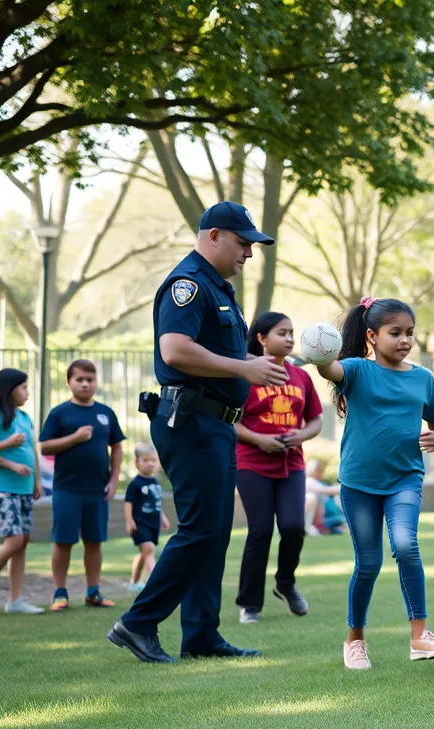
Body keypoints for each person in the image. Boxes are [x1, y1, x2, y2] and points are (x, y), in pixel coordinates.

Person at [108, 200, 288, 663]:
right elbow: (175, 350)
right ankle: (138, 623)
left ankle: (203, 635)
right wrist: (242, 368)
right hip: (191, 422)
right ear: (213, 236)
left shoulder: (217, 288)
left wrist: (255, 364)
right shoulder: (188, 284)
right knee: (199, 530)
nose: (249, 253)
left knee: (214, 532)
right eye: (243, 243)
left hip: (215, 425)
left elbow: (215, 353)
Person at [311, 297, 434, 669]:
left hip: (405, 480)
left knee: (406, 546)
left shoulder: (423, 377)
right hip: (358, 484)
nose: (405, 340)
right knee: (368, 563)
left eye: (410, 333)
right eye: (395, 333)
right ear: (372, 336)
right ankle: (354, 639)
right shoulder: (357, 370)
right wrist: (320, 351)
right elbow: (329, 370)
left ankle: (420, 636)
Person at [234, 312, 323, 623]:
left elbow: (315, 420)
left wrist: (301, 434)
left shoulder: (301, 376)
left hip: (292, 462)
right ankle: (250, 604)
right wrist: (259, 439)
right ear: (261, 339)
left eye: (291, 333)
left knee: (293, 527)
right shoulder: (245, 375)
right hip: (251, 462)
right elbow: (230, 421)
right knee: (260, 531)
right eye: (281, 333)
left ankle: (285, 583)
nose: (289, 338)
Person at [39, 359, 124, 610]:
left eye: (90, 379)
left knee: (94, 541)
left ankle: (93, 592)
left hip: (98, 490)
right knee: (63, 541)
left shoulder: (106, 413)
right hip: (67, 488)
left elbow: (117, 446)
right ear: (69, 382)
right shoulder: (59, 413)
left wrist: (114, 478)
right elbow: (44, 446)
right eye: (80, 380)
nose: (86, 384)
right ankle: (59, 593)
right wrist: (75, 438)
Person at [0, 369, 44, 615]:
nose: (27, 392)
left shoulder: (24, 417)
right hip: (0, 488)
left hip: (22, 489)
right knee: (14, 541)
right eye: (23, 388)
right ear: (10, 390)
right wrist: (9, 458)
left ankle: (16, 600)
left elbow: (33, 450)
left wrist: (37, 481)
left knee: (22, 543)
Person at [124, 444, 169, 591]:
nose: (150, 463)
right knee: (149, 549)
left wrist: (163, 517)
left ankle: (134, 582)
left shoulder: (155, 482)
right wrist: (129, 521)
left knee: (145, 553)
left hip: (153, 523)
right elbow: (128, 504)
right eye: (146, 460)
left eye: (153, 460)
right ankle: (156, 582)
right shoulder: (135, 484)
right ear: (137, 463)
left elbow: (157, 502)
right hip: (140, 523)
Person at [305, 459, 345, 535]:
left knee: (341, 521)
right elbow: (326, 490)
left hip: (323, 519)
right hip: (320, 521)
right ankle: (310, 528)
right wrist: (347, 487)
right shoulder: (309, 482)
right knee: (341, 520)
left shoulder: (318, 483)